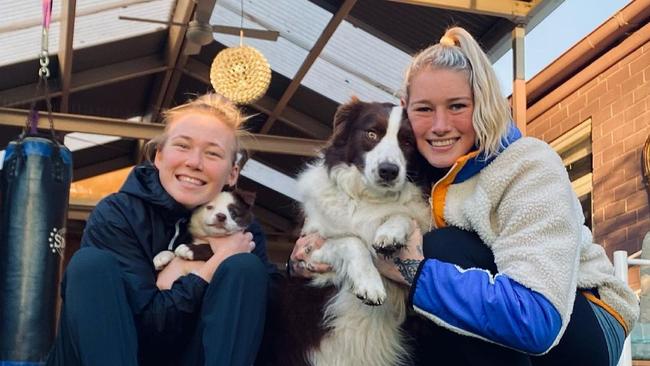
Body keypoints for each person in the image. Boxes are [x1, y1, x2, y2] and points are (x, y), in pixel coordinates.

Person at [290, 27, 639, 366]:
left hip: (576, 322)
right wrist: (318, 252)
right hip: (493, 317)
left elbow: (538, 319)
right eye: (425, 109)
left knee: (444, 249)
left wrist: (412, 270)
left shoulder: (528, 164)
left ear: (483, 104)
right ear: (405, 109)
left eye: (457, 106)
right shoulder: (417, 168)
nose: (440, 125)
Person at [47, 94, 277, 366]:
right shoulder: (117, 214)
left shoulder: (244, 230)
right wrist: (207, 268)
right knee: (89, 265)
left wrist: (301, 268)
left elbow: (262, 324)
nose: (195, 162)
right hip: (111, 355)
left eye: (213, 153)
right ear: (158, 155)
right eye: (182, 146)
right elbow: (150, 327)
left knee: (245, 268)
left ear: (232, 173)